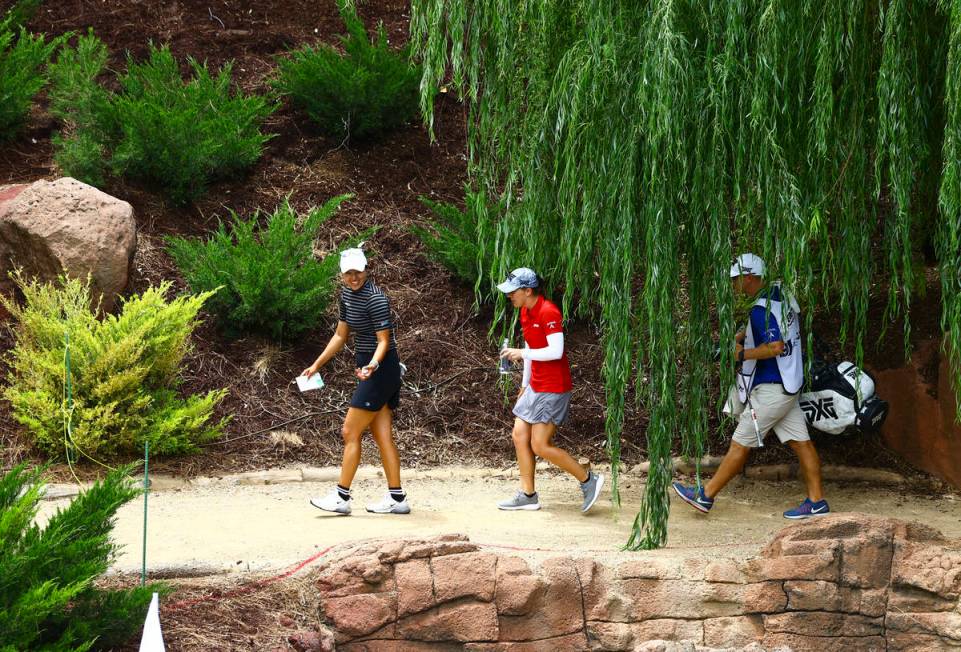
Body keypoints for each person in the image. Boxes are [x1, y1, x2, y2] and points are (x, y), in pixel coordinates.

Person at [672, 253, 829, 519]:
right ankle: (817, 502)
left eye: (736, 279)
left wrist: (741, 354)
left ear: (749, 277)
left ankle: (705, 496)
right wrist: (740, 337)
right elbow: (776, 329)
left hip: (771, 390)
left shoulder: (760, 311)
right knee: (802, 443)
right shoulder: (781, 294)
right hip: (789, 386)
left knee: (739, 444)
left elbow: (775, 346)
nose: (734, 284)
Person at [303, 248, 409, 515]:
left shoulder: (376, 299)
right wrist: (317, 365)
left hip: (381, 369)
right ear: (341, 274)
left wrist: (372, 366)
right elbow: (340, 335)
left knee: (350, 432)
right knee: (382, 435)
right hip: (371, 369)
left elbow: (384, 340)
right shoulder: (347, 296)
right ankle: (397, 499)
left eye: (358, 272)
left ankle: (342, 497)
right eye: (348, 273)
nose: (353, 278)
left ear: (366, 269)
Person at [495, 267, 604, 513]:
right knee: (519, 435)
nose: (509, 296)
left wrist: (521, 354)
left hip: (553, 387)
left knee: (540, 445)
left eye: (513, 292)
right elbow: (531, 346)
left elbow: (556, 351)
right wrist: (524, 385)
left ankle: (588, 480)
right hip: (535, 384)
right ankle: (527, 494)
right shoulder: (525, 311)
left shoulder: (548, 312)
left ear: (527, 290)